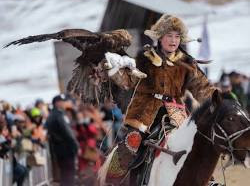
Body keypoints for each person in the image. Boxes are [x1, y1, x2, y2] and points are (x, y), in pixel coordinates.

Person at [104, 14, 217, 185]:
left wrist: (221, 102)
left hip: (177, 114)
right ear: (160, 37)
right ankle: (111, 180)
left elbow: (203, 88)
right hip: (145, 112)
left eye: (177, 36)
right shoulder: (144, 59)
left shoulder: (187, 63)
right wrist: (113, 71)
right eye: (169, 36)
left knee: (197, 143)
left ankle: (207, 180)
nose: (173, 40)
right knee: (132, 142)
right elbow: (127, 81)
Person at [47, 94, 79, 186]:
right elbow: (67, 132)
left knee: (65, 173)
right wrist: (75, 145)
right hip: (65, 148)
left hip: (59, 148)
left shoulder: (53, 114)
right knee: (68, 173)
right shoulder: (59, 115)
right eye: (63, 101)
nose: (65, 103)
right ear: (57, 103)